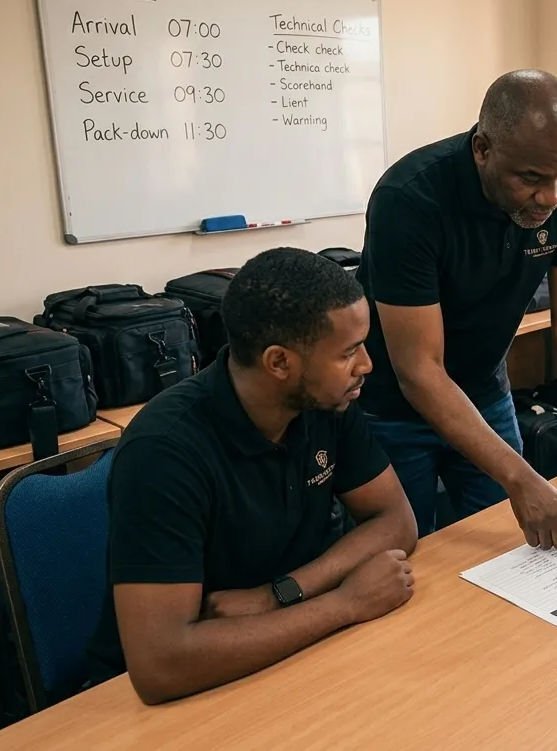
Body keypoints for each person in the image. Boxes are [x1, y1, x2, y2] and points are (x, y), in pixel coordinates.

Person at [83, 248, 419, 705]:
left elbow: (395, 520)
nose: (366, 365)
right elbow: (161, 665)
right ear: (279, 363)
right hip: (178, 695)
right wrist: (345, 604)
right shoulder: (164, 451)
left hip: (287, 648)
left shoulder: (325, 401)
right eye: (347, 352)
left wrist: (278, 595)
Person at [356, 68, 557, 556]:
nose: (551, 198)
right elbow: (419, 371)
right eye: (531, 179)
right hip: (393, 411)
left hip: (484, 391)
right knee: (409, 564)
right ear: (482, 149)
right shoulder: (409, 200)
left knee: (513, 552)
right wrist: (523, 480)